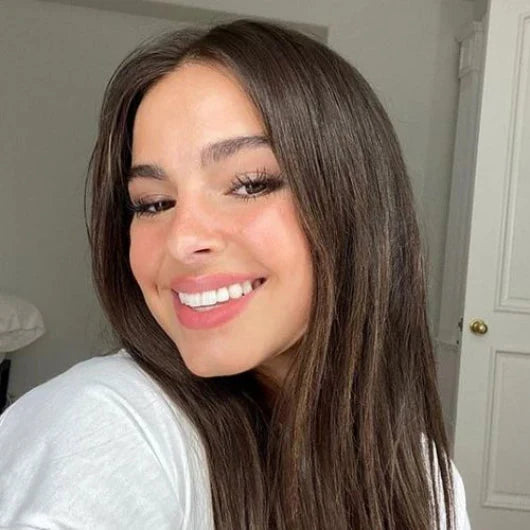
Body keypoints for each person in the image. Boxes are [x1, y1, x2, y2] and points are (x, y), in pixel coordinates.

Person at [0, 19, 471, 530]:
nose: (182, 240)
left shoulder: (423, 474)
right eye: (153, 203)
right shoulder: (111, 423)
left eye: (249, 184)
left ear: (355, 202)